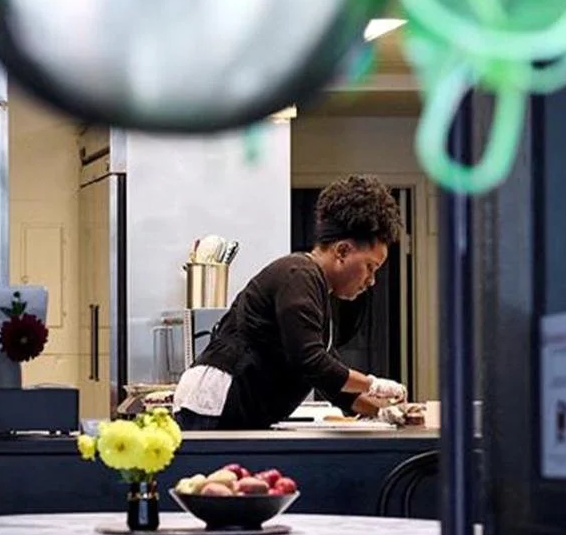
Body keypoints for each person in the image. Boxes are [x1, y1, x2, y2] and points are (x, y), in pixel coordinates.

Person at [172, 174, 409, 431]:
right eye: (370, 267)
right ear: (342, 251)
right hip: (214, 405)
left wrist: (383, 412)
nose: (371, 281)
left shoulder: (316, 291)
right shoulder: (299, 274)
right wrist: (374, 384)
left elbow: (332, 383)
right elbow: (311, 362)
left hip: (233, 406)